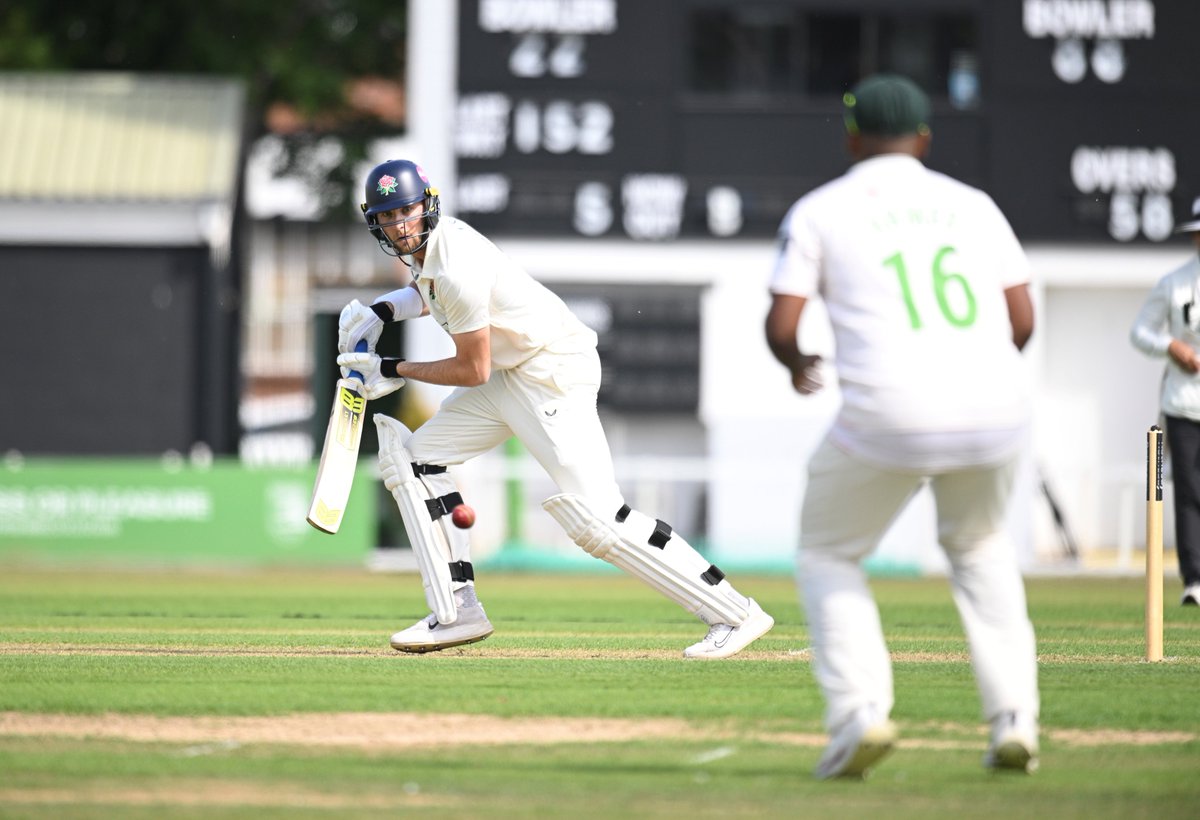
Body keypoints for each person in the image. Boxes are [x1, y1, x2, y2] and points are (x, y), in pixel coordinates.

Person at [334, 158, 774, 658]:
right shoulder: (432, 251)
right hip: (508, 375)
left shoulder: (456, 263)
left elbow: (471, 368)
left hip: (549, 375)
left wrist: (393, 369)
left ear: (427, 205)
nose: (399, 226)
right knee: (413, 460)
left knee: (599, 520)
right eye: (388, 218)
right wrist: (381, 310)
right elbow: (426, 293)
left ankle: (735, 613)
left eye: (406, 212)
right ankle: (456, 612)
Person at [763, 74, 1041, 779]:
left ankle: (860, 715)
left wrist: (799, 364)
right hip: (996, 410)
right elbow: (1022, 321)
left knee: (830, 553)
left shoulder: (821, 208)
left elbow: (784, 323)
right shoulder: (974, 205)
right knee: (980, 547)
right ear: (924, 137)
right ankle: (1016, 721)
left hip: (887, 414)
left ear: (853, 136)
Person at [1130, 196, 1200, 607]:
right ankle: (1195, 580)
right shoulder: (1174, 282)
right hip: (1183, 404)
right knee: (1190, 491)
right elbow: (1139, 332)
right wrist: (1170, 345)